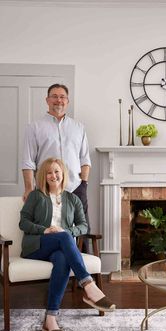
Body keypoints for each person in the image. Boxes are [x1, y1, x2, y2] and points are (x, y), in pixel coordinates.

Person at [19, 158, 116, 331]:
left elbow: (83, 226)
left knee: (63, 256)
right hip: (37, 245)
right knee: (64, 237)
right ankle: (88, 285)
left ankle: (50, 319)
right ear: (43, 176)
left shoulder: (73, 199)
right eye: (49, 172)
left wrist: (67, 231)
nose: (53, 176)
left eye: (57, 171)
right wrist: (44, 230)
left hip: (59, 248)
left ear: (63, 174)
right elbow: (23, 223)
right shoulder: (36, 196)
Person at [22, 83, 91, 236]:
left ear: (67, 101)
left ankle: (84, 259)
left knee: (82, 232)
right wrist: (28, 188)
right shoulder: (34, 127)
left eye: (62, 97)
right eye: (54, 96)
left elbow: (85, 159)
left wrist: (84, 185)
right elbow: (28, 161)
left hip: (75, 188)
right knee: (48, 230)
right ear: (47, 100)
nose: (58, 100)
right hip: (46, 190)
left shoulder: (79, 127)